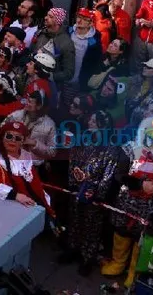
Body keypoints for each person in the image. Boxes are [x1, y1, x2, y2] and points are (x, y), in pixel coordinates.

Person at [102, 117, 153, 288]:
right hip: (127, 201)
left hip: (150, 206)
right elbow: (119, 174)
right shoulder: (129, 148)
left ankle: (134, 272)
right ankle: (118, 263)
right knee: (121, 232)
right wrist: (139, 184)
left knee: (141, 237)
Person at [59, 110, 118, 276]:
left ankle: (87, 258)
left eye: (94, 120)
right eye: (90, 119)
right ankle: (72, 249)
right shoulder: (82, 139)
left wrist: (98, 193)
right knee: (75, 220)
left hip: (94, 191)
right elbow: (73, 161)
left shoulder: (111, 148)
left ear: (103, 125)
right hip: (77, 188)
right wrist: (73, 183)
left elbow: (108, 173)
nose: (90, 122)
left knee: (92, 226)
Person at [0, 120, 54, 214]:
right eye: (9, 136)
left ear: (22, 142)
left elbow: (36, 185)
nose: (13, 140)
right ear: (2, 138)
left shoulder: (26, 158)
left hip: (36, 208)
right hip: (13, 210)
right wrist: (16, 195)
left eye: (18, 138)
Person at [32, 7, 75, 110]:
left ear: (58, 21)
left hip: (50, 88)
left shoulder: (66, 42)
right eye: (47, 15)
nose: (46, 18)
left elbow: (69, 72)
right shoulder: (40, 33)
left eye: (50, 17)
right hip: (32, 82)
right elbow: (32, 52)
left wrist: (50, 76)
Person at [68, 8, 102, 91]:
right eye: (79, 17)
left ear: (91, 23)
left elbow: (94, 64)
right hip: (61, 77)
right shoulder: (69, 31)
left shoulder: (93, 42)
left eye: (84, 19)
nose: (79, 20)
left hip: (77, 83)